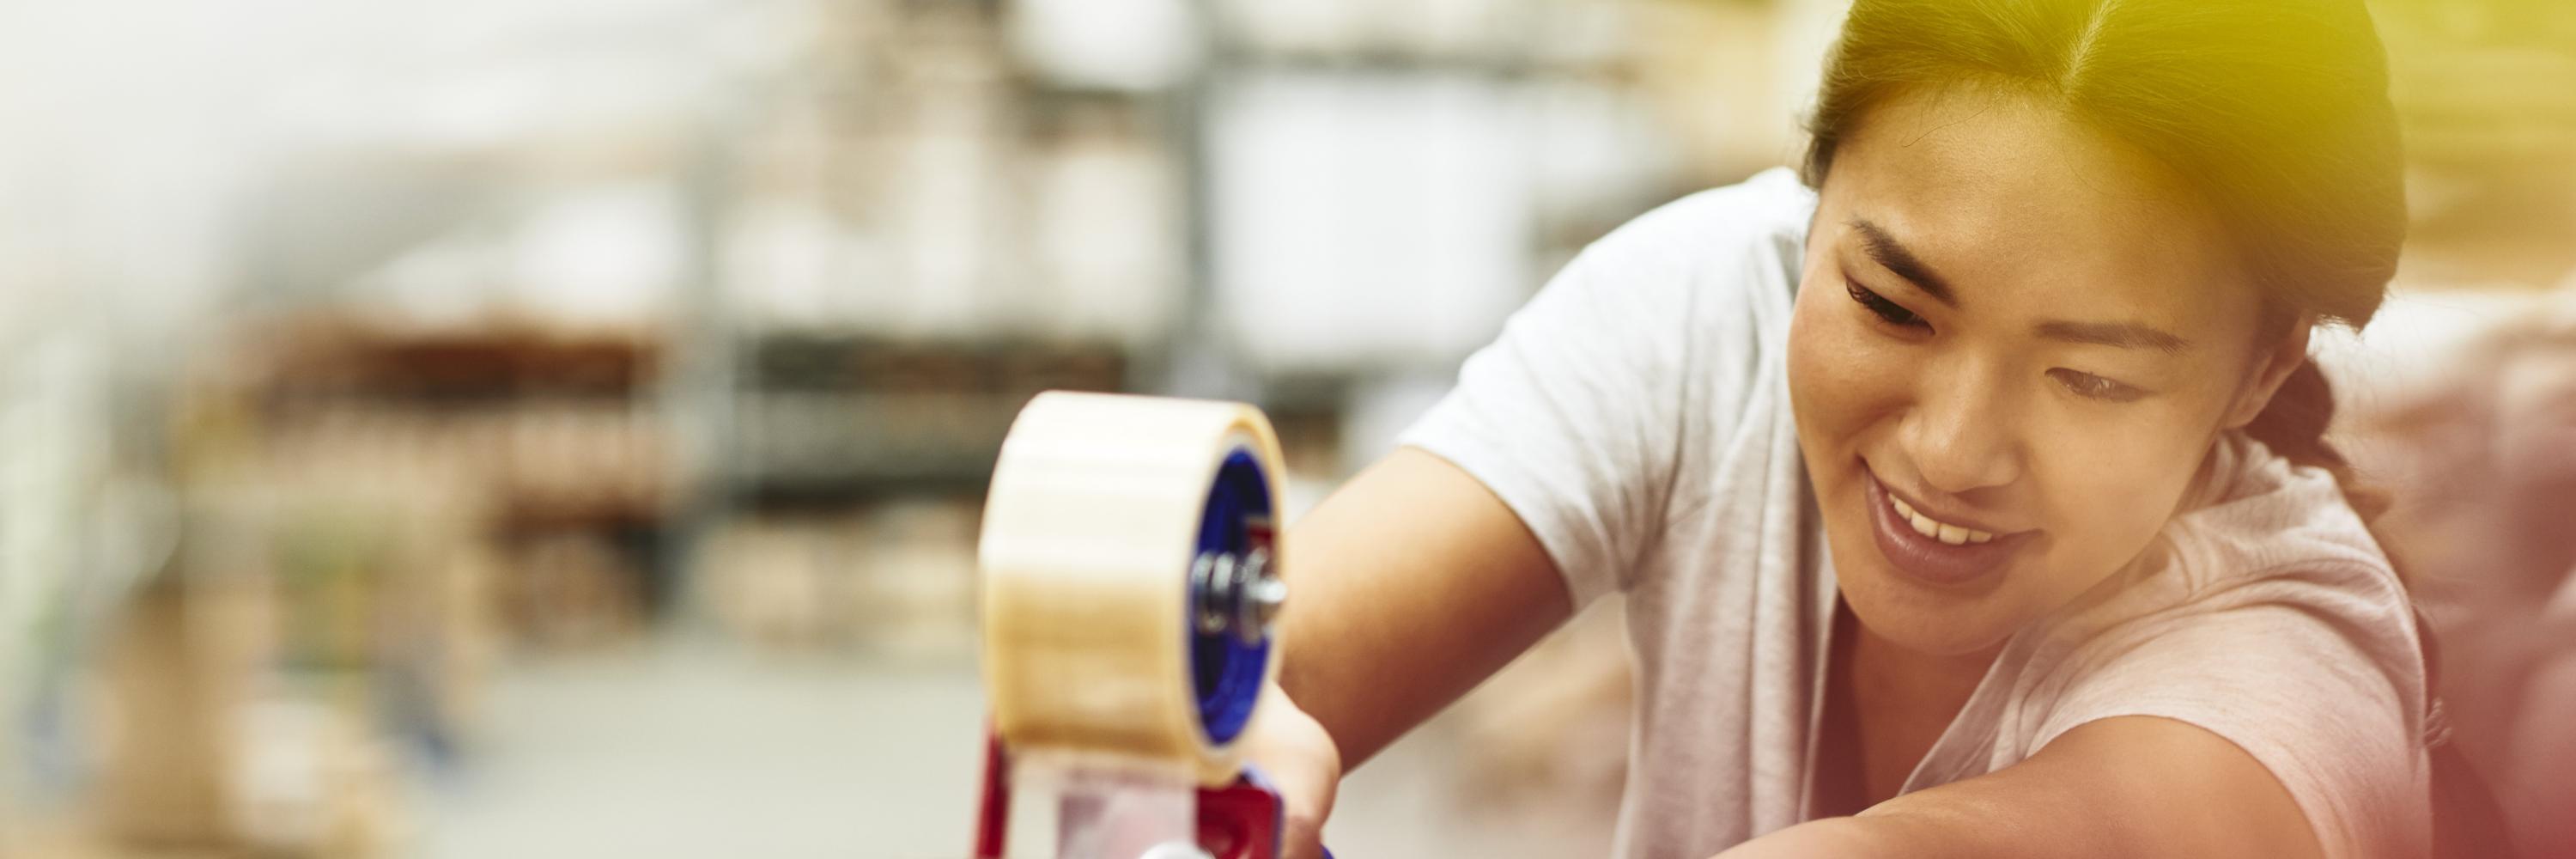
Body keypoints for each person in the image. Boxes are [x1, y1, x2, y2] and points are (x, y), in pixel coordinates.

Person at [1237, 1, 2461, 857]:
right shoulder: (1716, 306)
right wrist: (1211, 719)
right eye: (1889, 305)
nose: (1951, 450)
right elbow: (1239, 675)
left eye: (2090, 378)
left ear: (2259, 369)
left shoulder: (2296, 662)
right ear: (1814, 200)